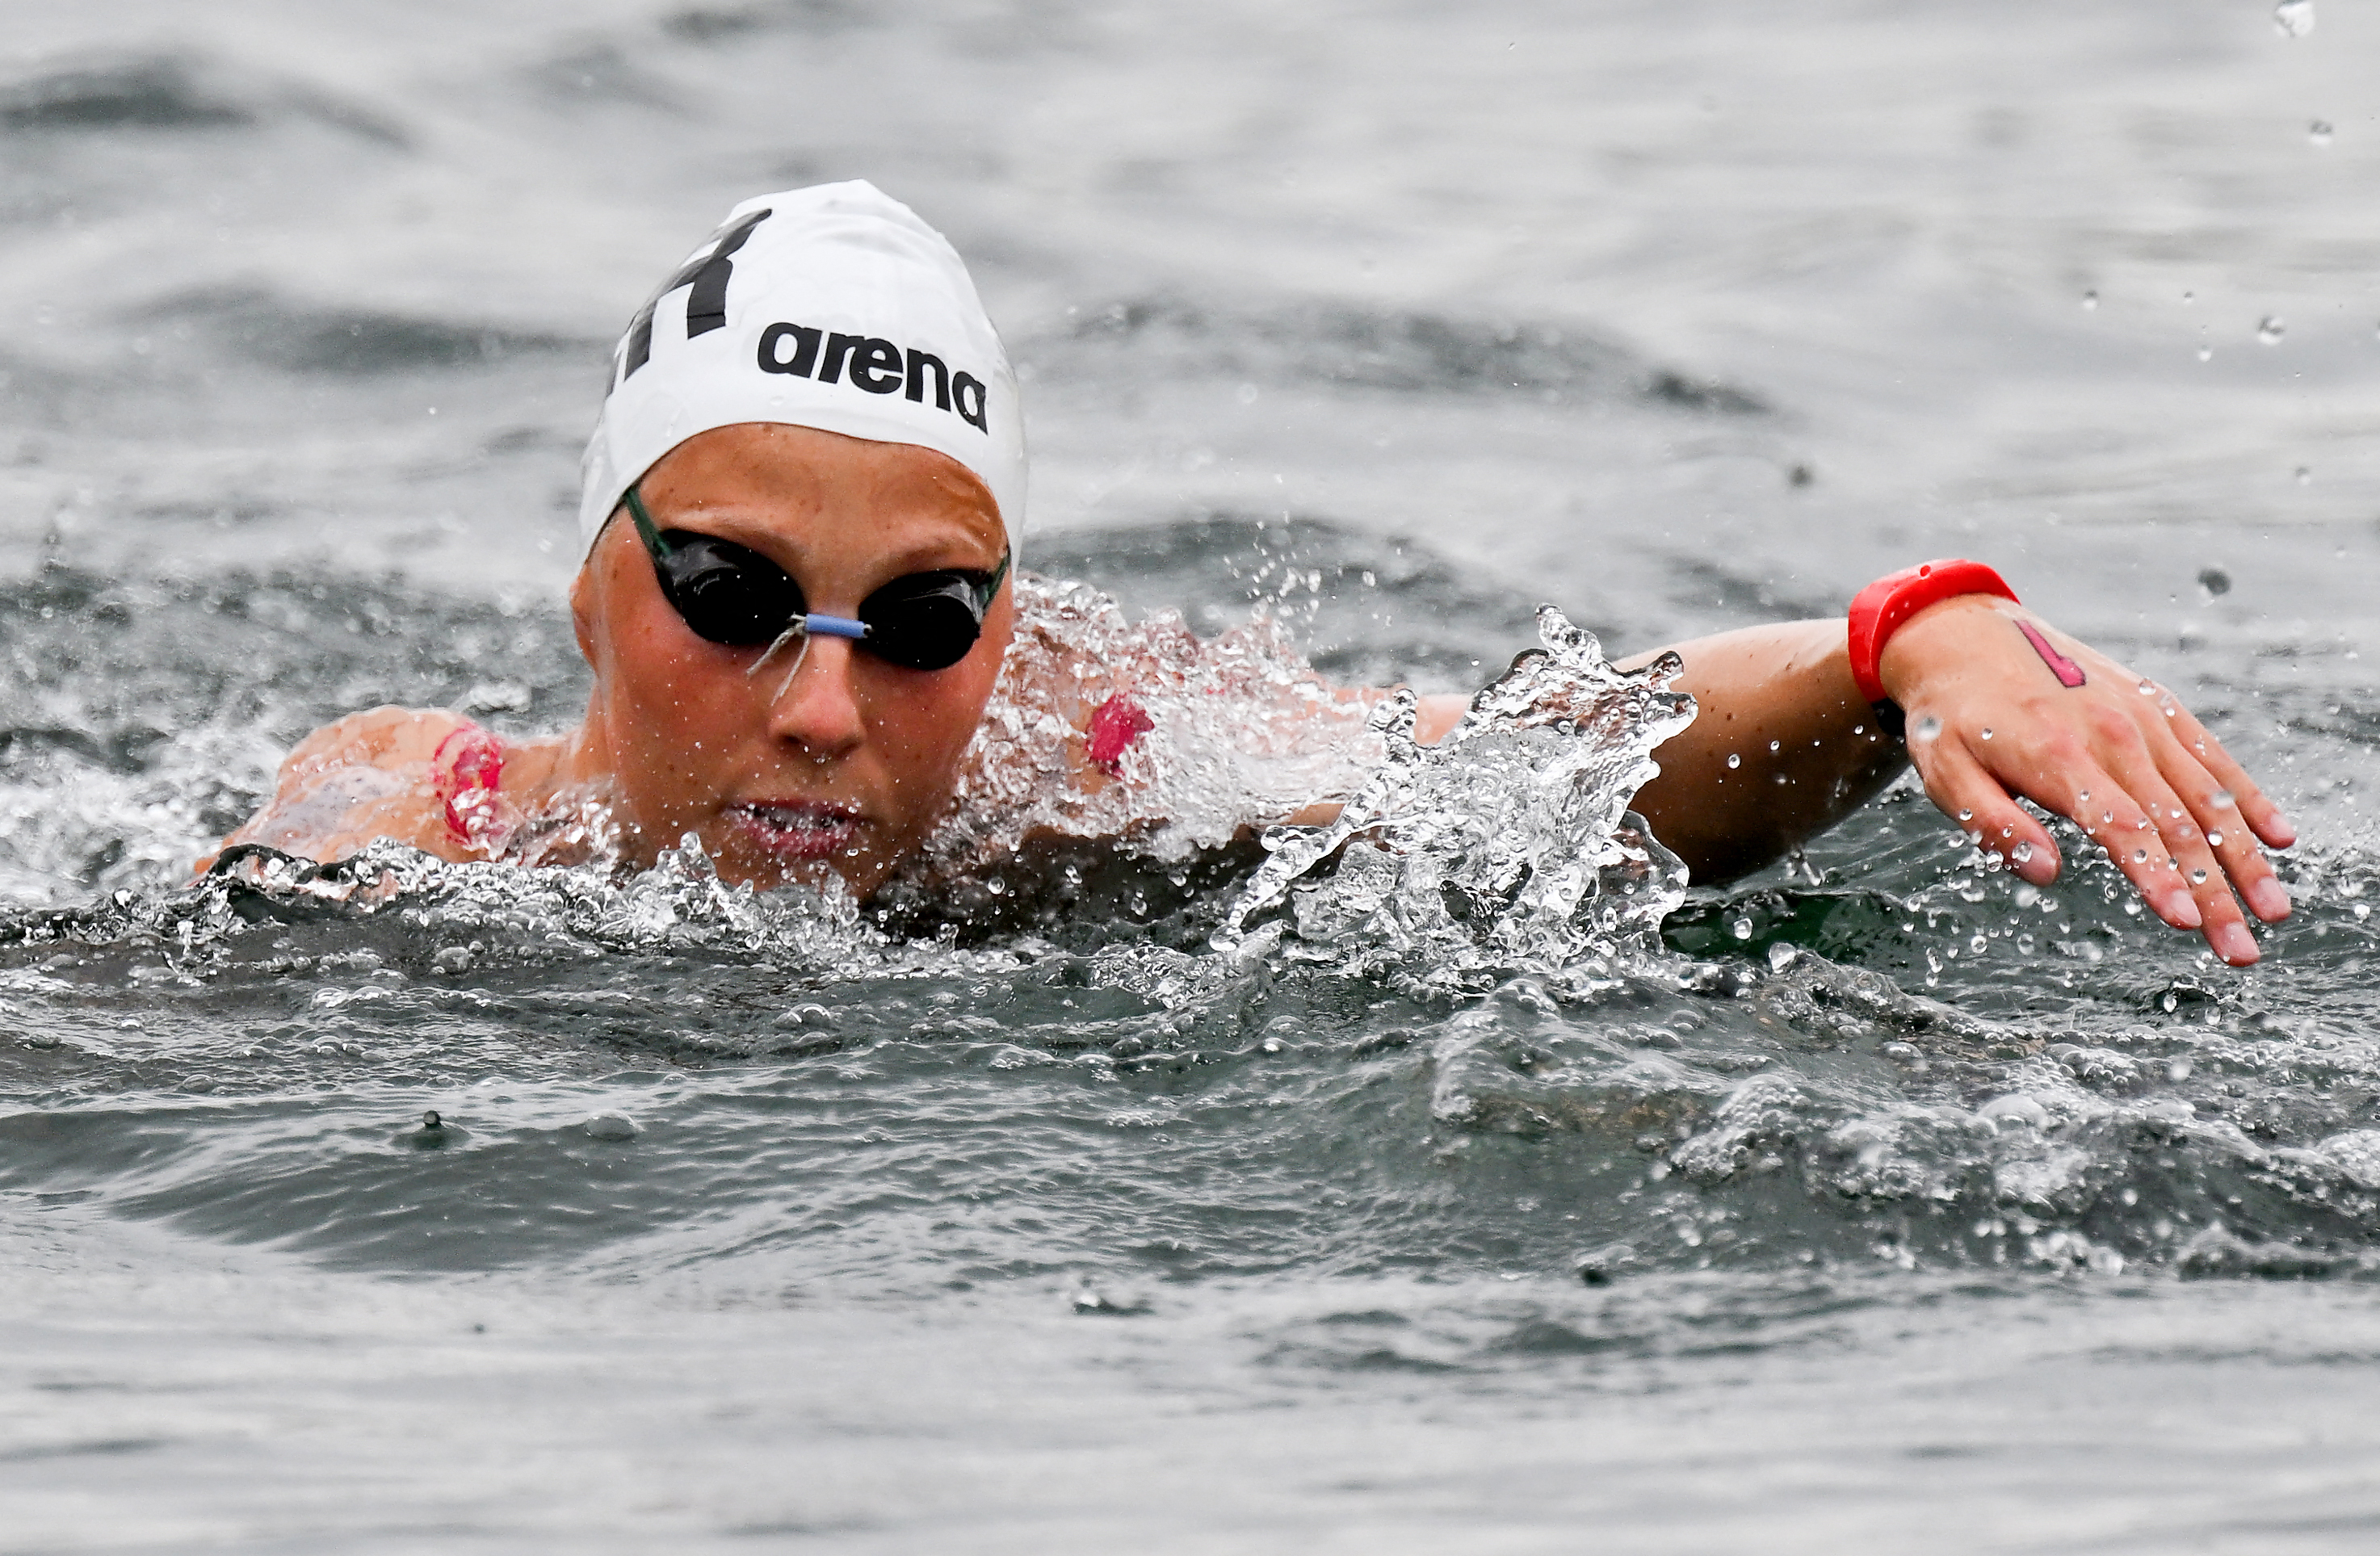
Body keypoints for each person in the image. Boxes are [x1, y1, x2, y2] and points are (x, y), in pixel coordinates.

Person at [211, 182, 2297, 965]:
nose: (826, 705)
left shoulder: (1088, 755)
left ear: (1005, 625)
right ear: (590, 589)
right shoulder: (401, 834)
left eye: (925, 618)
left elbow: (1526, 770)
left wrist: (1899, 636)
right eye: (737, 596)